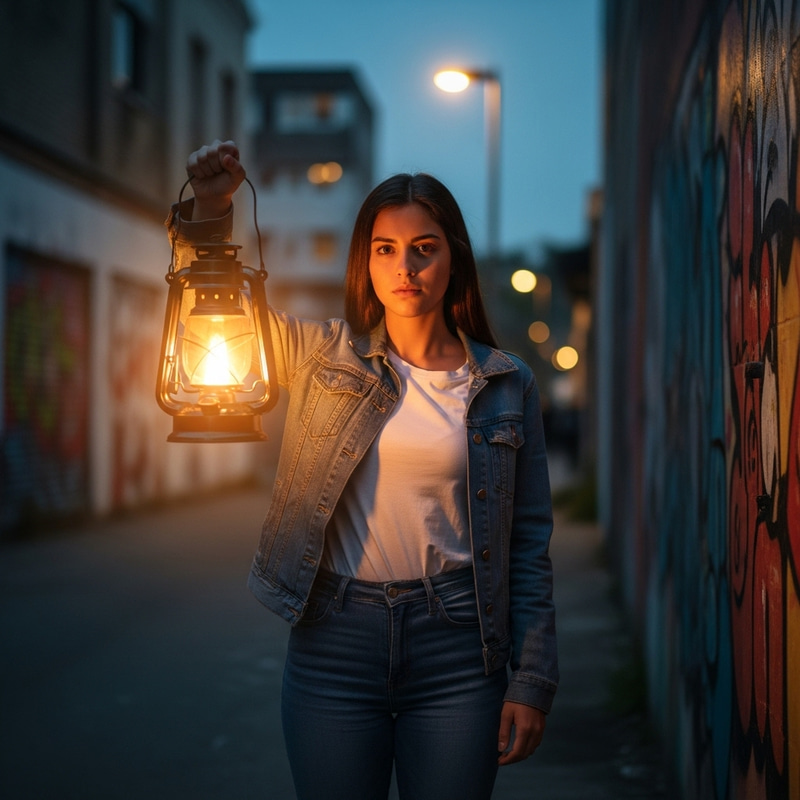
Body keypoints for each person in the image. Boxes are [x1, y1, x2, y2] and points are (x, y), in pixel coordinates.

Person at [169, 139, 558, 800]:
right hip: (333, 644)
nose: (404, 266)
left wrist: (532, 679)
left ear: (453, 258)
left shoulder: (505, 384)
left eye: (424, 247)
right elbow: (211, 304)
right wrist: (211, 209)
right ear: (366, 261)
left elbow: (528, 545)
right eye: (385, 248)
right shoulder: (322, 355)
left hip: (459, 650)